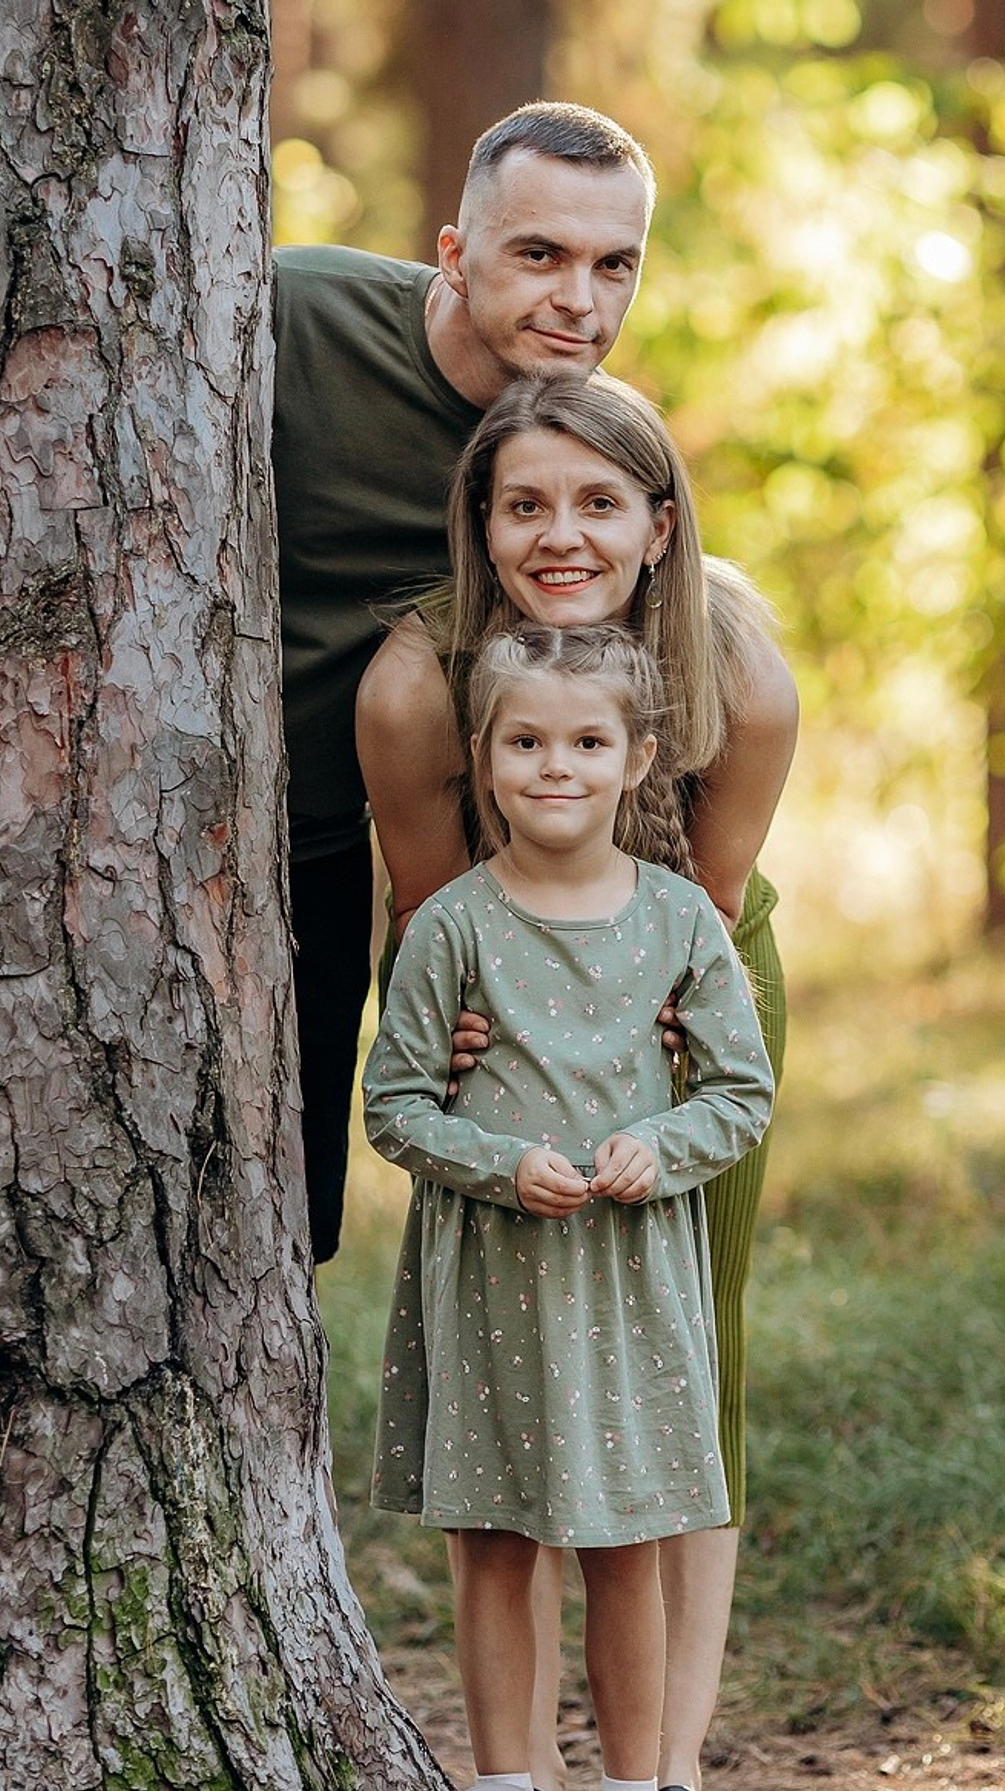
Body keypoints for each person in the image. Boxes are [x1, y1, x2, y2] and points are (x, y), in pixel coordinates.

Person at [356, 370, 797, 1791]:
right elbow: (412, 1056)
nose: (564, 530)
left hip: (644, 1131)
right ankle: (505, 1782)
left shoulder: (727, 678)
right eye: (526, 502)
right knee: (500, 1525)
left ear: (660, 526)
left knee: (656, 1482)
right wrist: (492, 1107)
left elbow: (710, 988)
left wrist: (655, 1123)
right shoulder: (420, 693)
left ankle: (653, 1783)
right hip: (507, 1195)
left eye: (601, 502)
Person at [273, 101, 657, 1264]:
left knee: (283, 1221)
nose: (577, 301)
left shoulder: (580, 456)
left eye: (613, 265)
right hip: (108, 822)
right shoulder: (290, 311)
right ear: (454, 253)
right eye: (538, 254)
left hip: (318, 850)